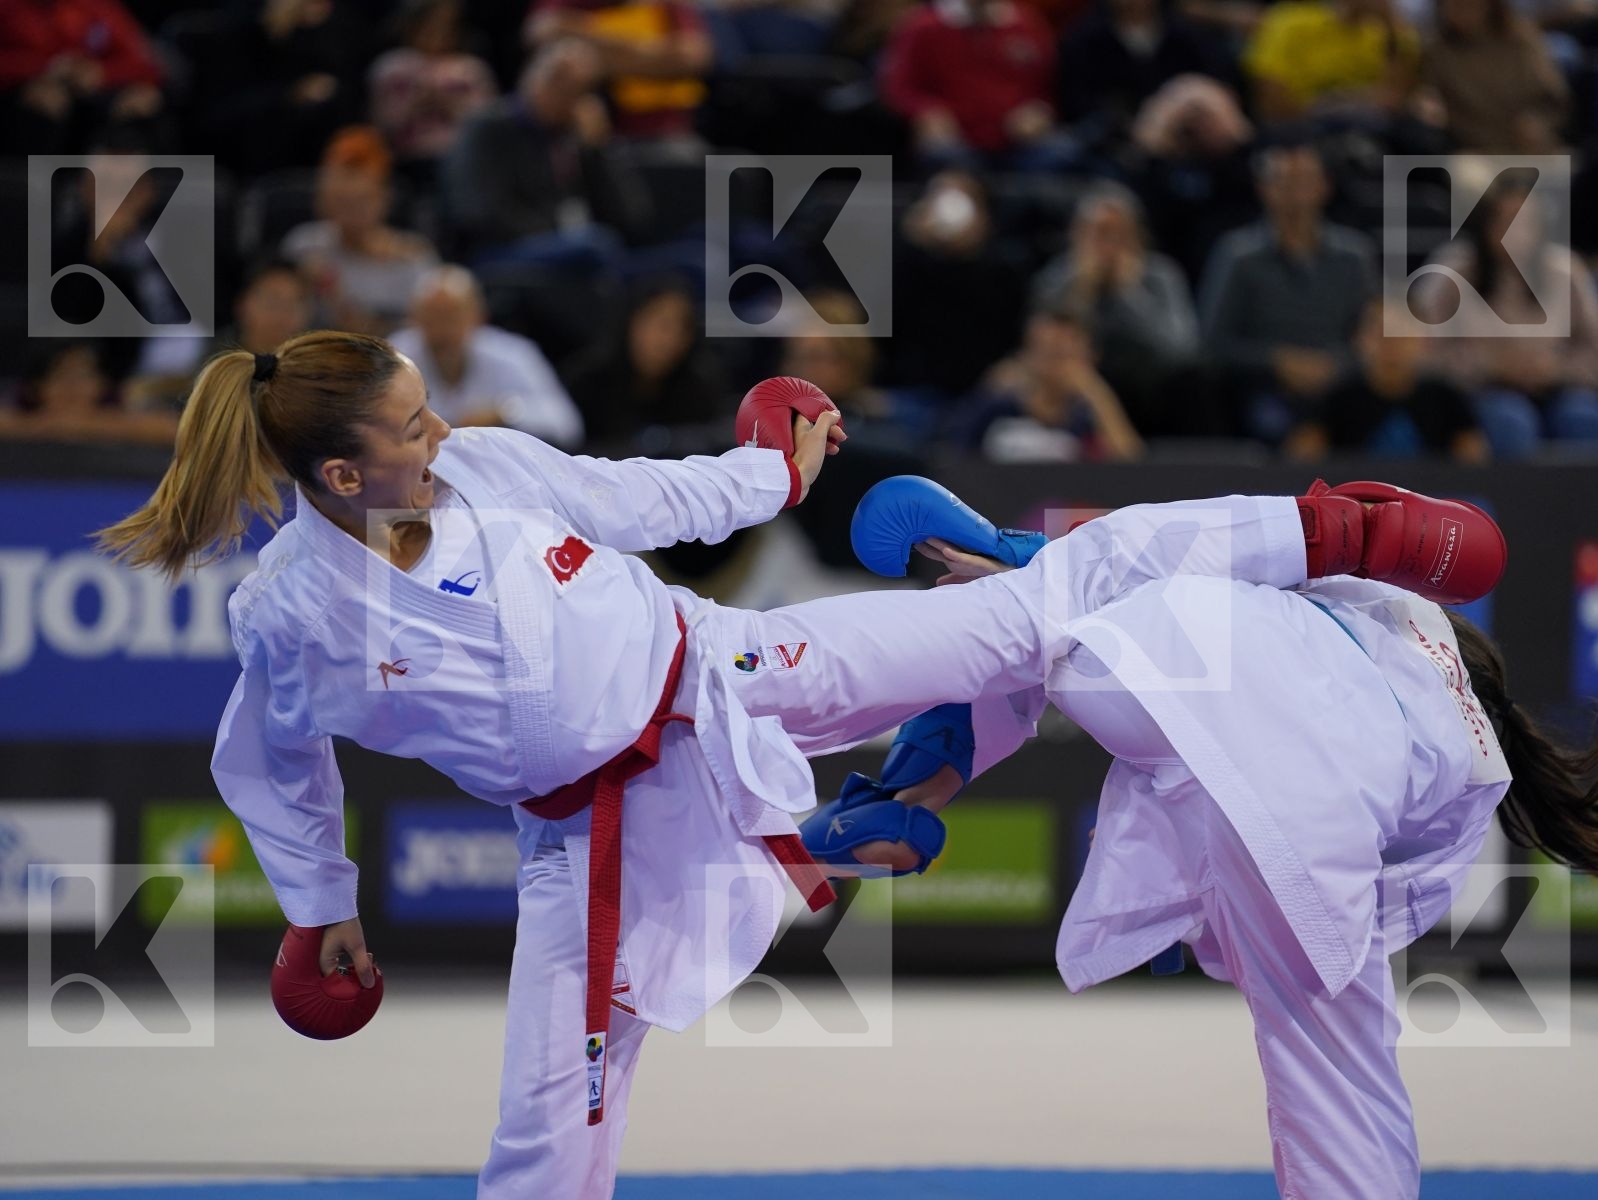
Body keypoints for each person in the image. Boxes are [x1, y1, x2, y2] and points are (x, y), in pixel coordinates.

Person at [94, 331, 1496, 1197]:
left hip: (730, 666)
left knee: (1027, 612)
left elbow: (639, 497)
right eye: (410, 428)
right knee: (548, 1127)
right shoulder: (292, 617)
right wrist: (321, 908)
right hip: (592, 832)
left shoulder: (488, 472)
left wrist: (769, 475)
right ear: (341, 478)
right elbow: (270, 765)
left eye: (427, 407)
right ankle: (836, 827)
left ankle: (1328, 529)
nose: (440, 433)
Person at [806, 473, 1568, 1200]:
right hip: (1282, 781)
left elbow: (1215, 544)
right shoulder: (1472, 759)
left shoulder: (1373, 606)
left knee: (1032, 616)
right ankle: (968, 675)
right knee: (1342, 1074)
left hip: (1180, 675)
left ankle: (910, 784)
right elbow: (1389, 894)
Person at [1200, 140, 1376, 444]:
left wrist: (1334, 364)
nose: (1295, 192)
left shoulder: (1355, 256)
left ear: (1324, 187)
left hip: (1340, 383)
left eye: (1304, 180)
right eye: (1284, 181)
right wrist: (1277, 362)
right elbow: (1214, 342)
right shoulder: (1237, 255)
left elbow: (1370, 334)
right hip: (1262, 389)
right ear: (1263, 188)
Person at [388, 265, 585, 447]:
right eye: (432, 316)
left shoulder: (512, 353)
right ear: (414, 318)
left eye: (452, 316)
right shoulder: (395, 357)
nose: (442, 327)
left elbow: (565, 424)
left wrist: (504, 413)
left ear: (478, 316)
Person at [282, 125, 441, 336]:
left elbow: (429, 331)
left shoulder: (413, 257)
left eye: (361, 200)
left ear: (384, 197)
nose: (350, 212)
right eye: (341, 200)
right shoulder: (305, 246)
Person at [1286, 299, 1488, 461]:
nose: (1391, 344)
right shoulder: (1337, 397)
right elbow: (1301, 458)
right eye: (1380, 334)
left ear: (1424, 341)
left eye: (1402, 334)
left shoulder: (1446, 398)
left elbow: (1474, 461)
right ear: (1359, 340)